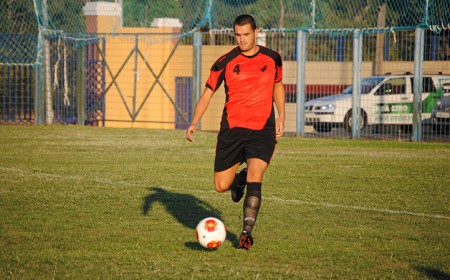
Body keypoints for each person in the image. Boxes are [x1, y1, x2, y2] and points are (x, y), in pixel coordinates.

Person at [185, 14, 285, 250]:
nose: (242, 40)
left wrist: (282, 114)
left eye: (246, 35)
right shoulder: (224, 62)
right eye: (238, 35)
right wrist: (194, 121)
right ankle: (238, 180)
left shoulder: (273, 58)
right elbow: (207, 93)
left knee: (256, 171)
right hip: (232, 130)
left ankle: (245, 233)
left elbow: (277, 85)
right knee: (221, 185)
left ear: (256, 32)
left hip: (262, 129)